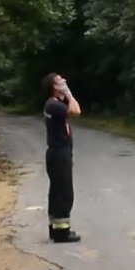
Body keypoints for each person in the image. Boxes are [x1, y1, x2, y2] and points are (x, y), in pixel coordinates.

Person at [42, 73, 82, 243]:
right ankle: (62, 233)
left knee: (56, 191)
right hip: (59, 153)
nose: (64, 81)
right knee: (64, 192)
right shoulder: (53, 104)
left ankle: (55, 229)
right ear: (54, 87)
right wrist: (70, 95)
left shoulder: (54, 104)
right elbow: (76, 111)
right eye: (60, 81)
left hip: (57, 152)